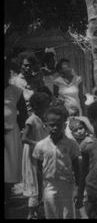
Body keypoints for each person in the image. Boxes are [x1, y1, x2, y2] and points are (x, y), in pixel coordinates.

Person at [33, 105, 80, 219]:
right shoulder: (41, 146)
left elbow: (77, 167)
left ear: (65, 125)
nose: (55, 128)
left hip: (67, 184)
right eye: (51, 125)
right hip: (49, 185)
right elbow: (38, 170)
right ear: (45, 125)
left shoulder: (71, 144)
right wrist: (39, 192)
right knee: (51, 214)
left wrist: (78, 188)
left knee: (68, 214)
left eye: (58, 125)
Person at [21, 92, 50, 219]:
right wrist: (37, 143)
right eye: (45, 106)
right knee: (35, 182)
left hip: (42, 154)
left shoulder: (43, 118)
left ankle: (40, 208)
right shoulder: (31, 120)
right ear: (37, 107)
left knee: (42, 179)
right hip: (33, 155)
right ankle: (31, 212)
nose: (47, 108)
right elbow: (24, 138)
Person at [4, 63, 28, 204]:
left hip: (10, 133)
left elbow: (23, 114)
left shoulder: (16, 91)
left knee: (9, 167)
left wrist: (16, 126)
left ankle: (8, 196)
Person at [10, 51, 46, 116]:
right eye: (26, 65)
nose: (28, 68)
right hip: (24, 117)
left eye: (30, 65)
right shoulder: (15, 82)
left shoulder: (37, 79)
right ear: (20, 65)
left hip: (39, 115)